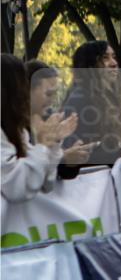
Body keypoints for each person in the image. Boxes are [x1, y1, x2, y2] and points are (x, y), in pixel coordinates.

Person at [61, 41, 121, 169]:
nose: (114, 63)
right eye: (105, 58)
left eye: (114, 57)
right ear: (89, 65)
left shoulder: (107, 97)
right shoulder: (81, 99)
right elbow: (79, 155)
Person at [2, 54, 78, 202]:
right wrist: (44, 145)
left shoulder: (17, 129)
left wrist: (52, 145)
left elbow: (44, 183)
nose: (24, 93)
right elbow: (18, 187)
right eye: (22, 86)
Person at [27, 60, 94, 170]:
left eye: (55, 94)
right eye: (48, 94)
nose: (52, 100)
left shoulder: (50, 119)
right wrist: (64, 159)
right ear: (27, 90)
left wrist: (69, 159)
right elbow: (27, 173)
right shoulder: (13, 128)